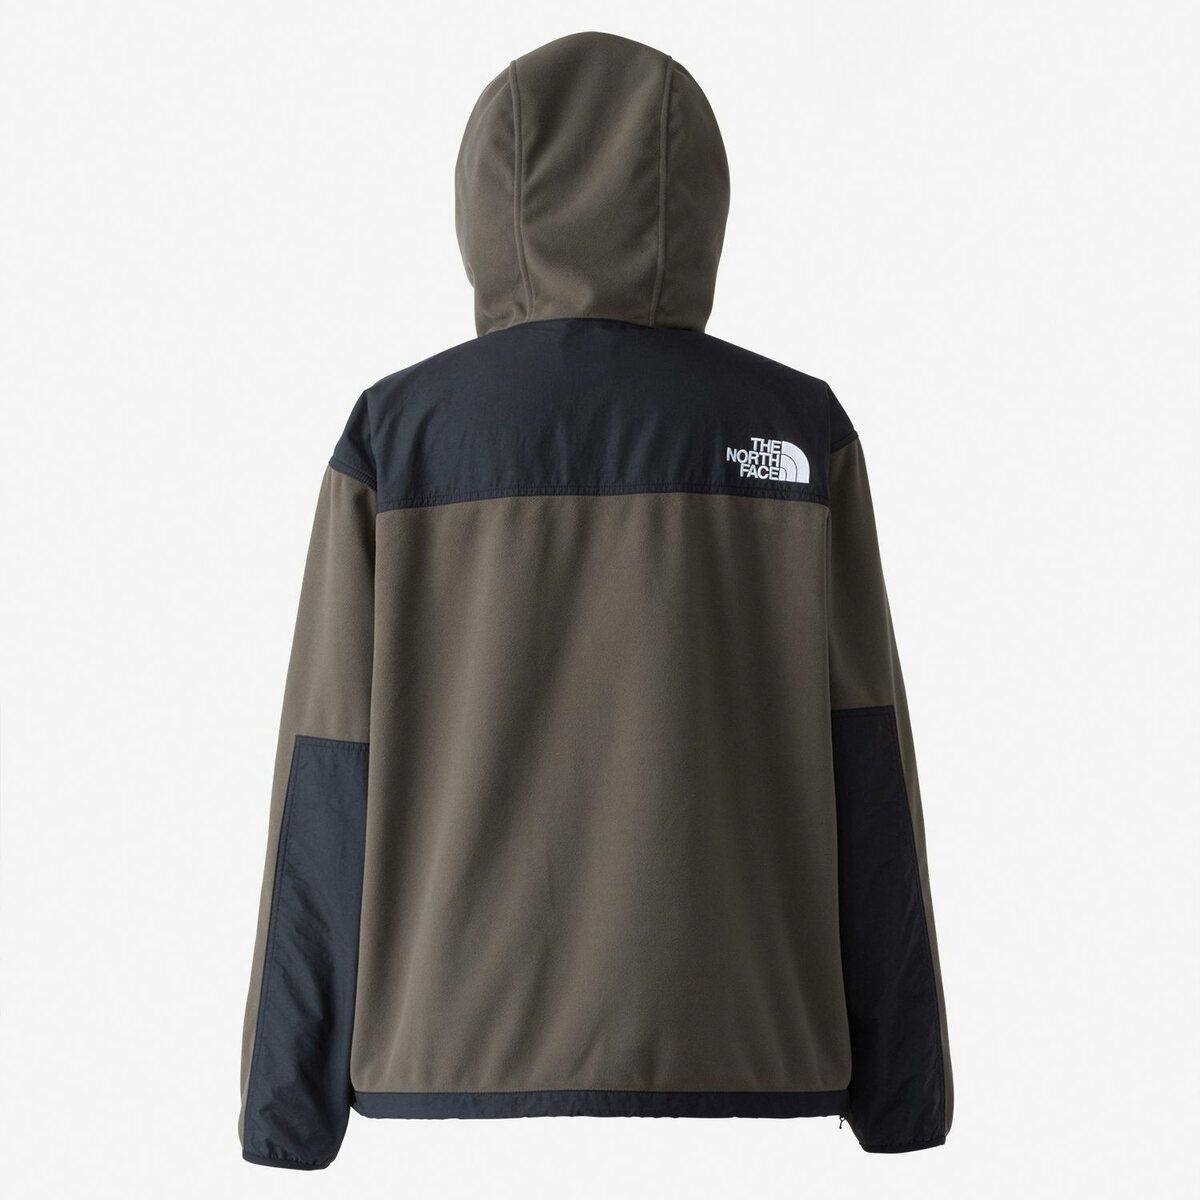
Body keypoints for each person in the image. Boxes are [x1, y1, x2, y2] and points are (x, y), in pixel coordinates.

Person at [238, 30, 952, 1168]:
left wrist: (288, 1105)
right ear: (698, 197)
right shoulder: (797, 430)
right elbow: (868, 761)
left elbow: (329, 766)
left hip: (447, 1066)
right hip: (752, 1060)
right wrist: (903, 1093)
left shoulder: (401, 434)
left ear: (485, 201)